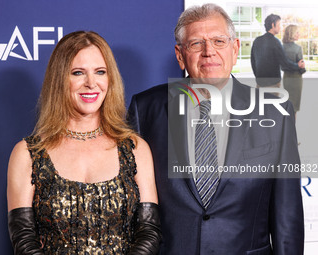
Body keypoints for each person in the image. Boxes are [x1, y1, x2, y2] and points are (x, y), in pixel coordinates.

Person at [128, 4, 304, 255]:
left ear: (235, 49)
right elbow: (133, 208)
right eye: (196, 43)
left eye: (219, 41)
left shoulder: (275, 112)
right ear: (180, 55)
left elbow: (288, 214)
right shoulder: (145, 109)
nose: (208, 52)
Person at [7, 31, 161, 255]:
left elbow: (149, 231)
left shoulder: (135, 148)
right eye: (78, 73)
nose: (91, 83)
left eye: (100, 72)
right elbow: (23, 240)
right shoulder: (28, 153)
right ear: (60, 79)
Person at [251, 14, 305, 88]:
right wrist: (297, 65)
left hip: (260, 83)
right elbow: (284, 63)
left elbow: (253, 61)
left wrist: (258, 77)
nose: (280, 27)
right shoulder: (276, 42)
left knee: (261, 100)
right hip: (273, 84)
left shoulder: (257, 41)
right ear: (273, 25)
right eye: (279, 25)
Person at [282, 24, 306, 118]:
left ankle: (286, 130)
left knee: (287, 105)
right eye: (297, 33)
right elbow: (301, 68)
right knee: (294, 108)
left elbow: (282, 66)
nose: (299, 34)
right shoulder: (298, 48)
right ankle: (292, 130)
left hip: (286, 78)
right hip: (296, 80)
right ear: (292, 34)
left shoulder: (281, 47)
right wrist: (302, 67)